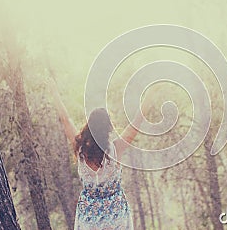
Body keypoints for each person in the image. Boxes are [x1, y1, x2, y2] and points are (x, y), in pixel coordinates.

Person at [51, 82, 152, 230]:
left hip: (89, 219)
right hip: (116, 217)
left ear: (89, 126)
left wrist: (54, 93)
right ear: (108, 128)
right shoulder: (116, 149)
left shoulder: (80, 149)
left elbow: (65, 119)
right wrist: (151, 94)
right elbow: (136, 122)